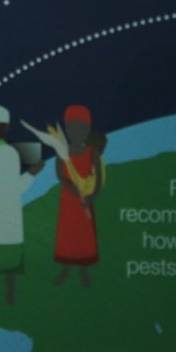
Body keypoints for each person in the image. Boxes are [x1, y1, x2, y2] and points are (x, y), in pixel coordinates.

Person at [0, 104, 43, 305]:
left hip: (8, 212)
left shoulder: (12, 153)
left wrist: (31, 173)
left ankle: (11, 296)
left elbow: (17, 186)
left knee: (10, 259)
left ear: (5, 128)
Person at [54, 104, 105, 286]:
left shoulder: (92, 152)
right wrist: (69, 186)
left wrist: (92, 196)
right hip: (68, 202)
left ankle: (84, 271)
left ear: (88, 129)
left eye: (81, 127)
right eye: (72, 128)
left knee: (83, 237)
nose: (76, 132)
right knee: (67, 235)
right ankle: (65, 269)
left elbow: (99, 178)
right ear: (67, 130)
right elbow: (60, 175)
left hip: (84, 203)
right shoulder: (62, 152)